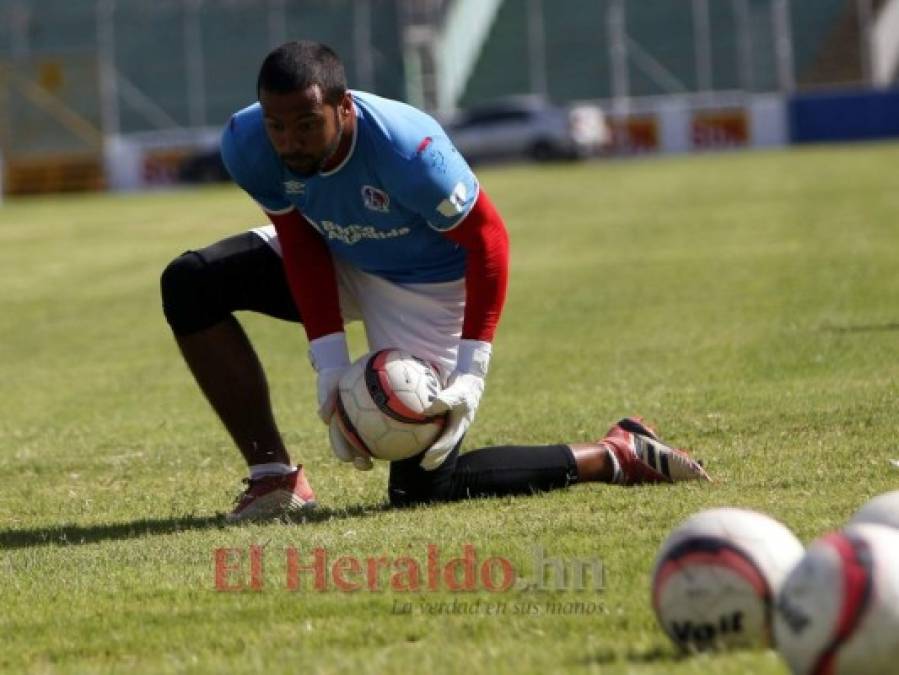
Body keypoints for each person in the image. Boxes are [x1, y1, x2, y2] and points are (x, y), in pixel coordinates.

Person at [160, 41, 710, 523]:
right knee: (191, 282)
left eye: (307, 124)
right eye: (277, 126)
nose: (289, 141)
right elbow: (299, 240)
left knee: (424, 488)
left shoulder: (408, 150)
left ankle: (616, 453)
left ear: (343, 107)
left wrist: (472, 371)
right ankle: (273, 476)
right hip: (335, 249)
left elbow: (488, 241)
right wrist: (329, 361)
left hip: (427, 285)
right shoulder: (247, 141)